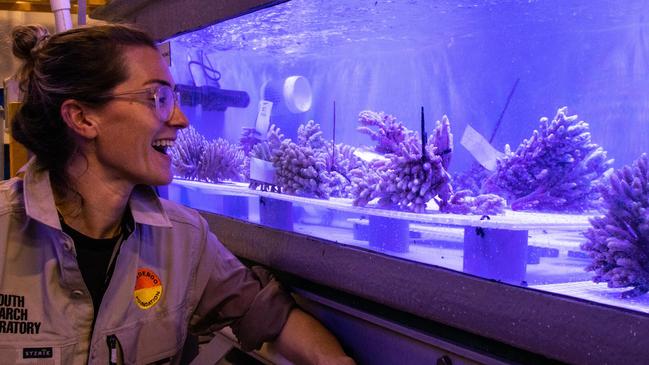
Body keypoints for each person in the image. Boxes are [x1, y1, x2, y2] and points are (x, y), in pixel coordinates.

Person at [0, 23, 355, 365]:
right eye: (158, 98)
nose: (181, 119)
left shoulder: (185, 238)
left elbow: (264, 312)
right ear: (82, 118)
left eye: (175, 98)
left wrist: (335, 360)